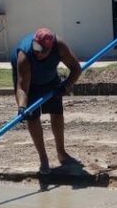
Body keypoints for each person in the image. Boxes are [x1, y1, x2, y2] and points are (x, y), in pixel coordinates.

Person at [11, 28, 82, 174]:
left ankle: (61, 153)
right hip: (28, 82)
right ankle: (43, 158)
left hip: (50, 78)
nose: (37, 53)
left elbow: (76, 69)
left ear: (51, 49)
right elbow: (22, 88)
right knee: (33, 117)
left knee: (56, 112)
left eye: (42, 51)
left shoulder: (60, 47)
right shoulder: (24, 55)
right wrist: (22, 107)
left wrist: (66, 86)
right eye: (36, 48)